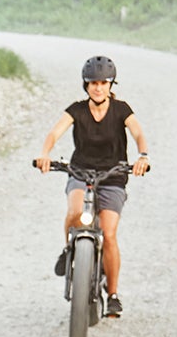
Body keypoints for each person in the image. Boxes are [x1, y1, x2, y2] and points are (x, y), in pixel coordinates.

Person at [33, 55, 153, 317]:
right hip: (80, 171)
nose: (98, 87)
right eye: (93, 83)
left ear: (111, 84)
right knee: (75, 213)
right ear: (85, 85)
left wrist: (142, 156)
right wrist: (45, 153)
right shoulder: (76, 110)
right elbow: (54, 133)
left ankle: (112, 295)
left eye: (103, 82)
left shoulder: (122, 110)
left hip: (113, 175)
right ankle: (69, 250)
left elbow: (137, 133)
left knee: (109, 233)